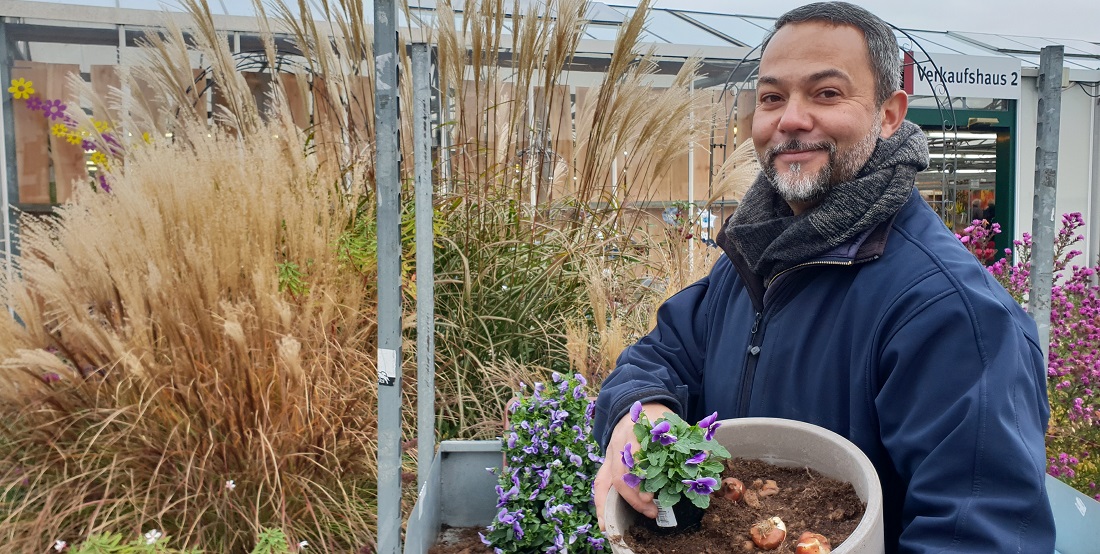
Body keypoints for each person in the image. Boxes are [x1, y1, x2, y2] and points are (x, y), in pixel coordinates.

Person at [591, 2, 1056, 552]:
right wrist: (642, 414)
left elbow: (979, 535)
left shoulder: (951, 313)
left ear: (889, 114)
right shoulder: (754, 258)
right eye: (772, 97)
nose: (790, 118)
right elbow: (663, 355)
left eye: (826, 93)